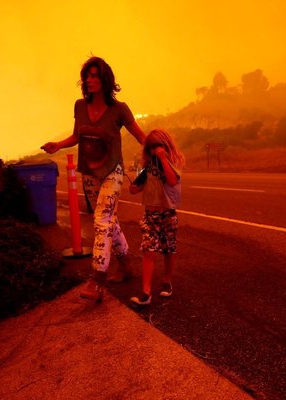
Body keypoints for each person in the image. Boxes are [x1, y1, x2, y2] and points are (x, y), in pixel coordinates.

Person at [41, 56, 145, 302]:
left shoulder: (119, 109)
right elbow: (77, 135)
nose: (89, 80)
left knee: (101, 219)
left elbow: (141, 137)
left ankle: (96, 279)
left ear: (105, 79)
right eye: (87, 76)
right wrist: (58, 145)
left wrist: (160, 152)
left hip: (112, 172)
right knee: (110, 221)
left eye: (95, 75)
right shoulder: (79, 106)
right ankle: (126, 266)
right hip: (89, 174)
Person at [129, 129, 184, 306]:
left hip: (168, 213)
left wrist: (162, 158)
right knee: (148, 249)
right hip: (150, 214)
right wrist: (135, 187)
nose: (155, 150)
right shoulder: (149, 167)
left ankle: (167, 281)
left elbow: (172, 180)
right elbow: (136, 187)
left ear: (166, 145)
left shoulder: (173, 162)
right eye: (152, 147)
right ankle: (146, 292)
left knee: (169, 249)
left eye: (159, 146)